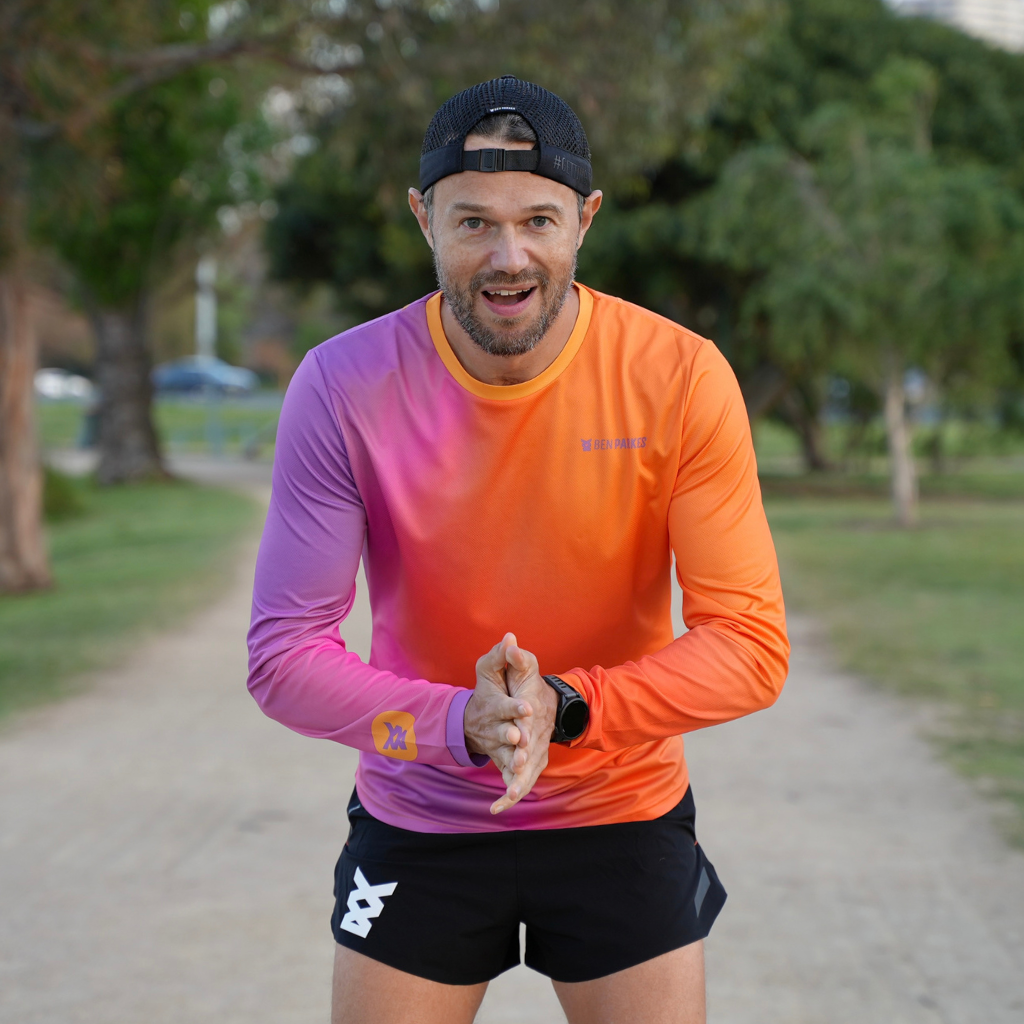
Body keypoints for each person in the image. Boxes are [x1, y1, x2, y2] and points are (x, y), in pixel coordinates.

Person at [247, 75, 789, 1024]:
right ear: (423, 218)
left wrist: (567, 708)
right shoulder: (342, 384)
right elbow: (283, 660)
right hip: (420, 816)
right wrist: (460, 723)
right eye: (473, 224)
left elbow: (749, 646)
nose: (508, 256)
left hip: (622, 810)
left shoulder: (680, 376)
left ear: (586, 218)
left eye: (539, 220)